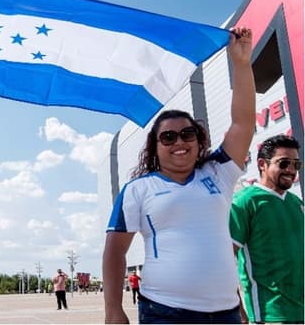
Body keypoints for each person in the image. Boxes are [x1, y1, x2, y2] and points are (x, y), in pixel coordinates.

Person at [103, 27, 255, 325]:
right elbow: (115, 251)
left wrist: (241, 64)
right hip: (164, 312)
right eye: (168, 137)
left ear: (199, 141)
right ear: (155, 147)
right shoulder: (137, 189)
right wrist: (113, 310)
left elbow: (243, 122)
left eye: (187, 134)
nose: (179, 142)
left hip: (225, 313)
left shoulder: (218, 172)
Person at [229, 135, 303, 323]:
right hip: (269, 314)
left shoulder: (296, 203)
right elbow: (224, 262)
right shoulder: (244, 202)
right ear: (262, 164)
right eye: (284, 163)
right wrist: (237, 310)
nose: (291, 170)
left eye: (296, 164)